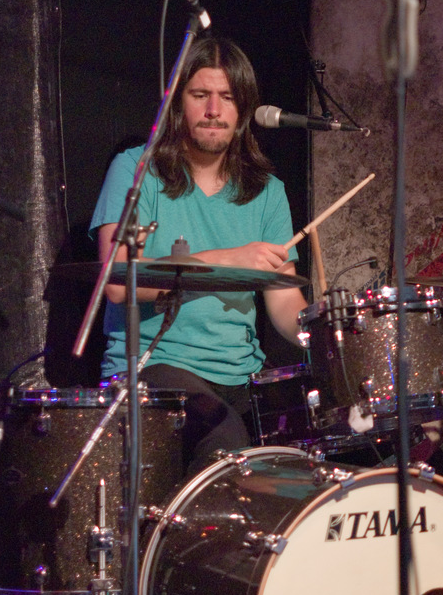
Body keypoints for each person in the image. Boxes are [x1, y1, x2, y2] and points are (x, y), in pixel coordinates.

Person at [91, 37, 308, 470]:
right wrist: (228, 259)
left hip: (242, 376)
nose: (213, 110)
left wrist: (333, 337)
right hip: (156, 369)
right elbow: (117, 281)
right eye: (200, 95)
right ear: (177, 103)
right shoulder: (137, 169)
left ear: (243, 109)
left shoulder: (268, 192)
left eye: (227, 97)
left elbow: (284, 300)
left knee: (316, 446)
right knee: (225, 439)